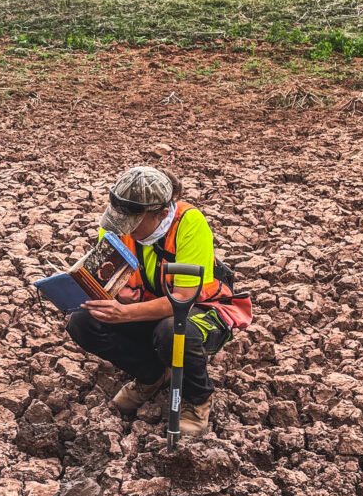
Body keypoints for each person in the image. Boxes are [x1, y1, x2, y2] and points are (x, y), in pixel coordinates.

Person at [66, 166, 242, 435]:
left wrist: (123, 314)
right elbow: (109, 281)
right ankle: (152, 375)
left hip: (200, 311)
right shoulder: (115, 228)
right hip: (145, 306)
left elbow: (182, 301)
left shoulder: (189, 225)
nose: (124, 230)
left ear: (161, 214)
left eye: (132, 223)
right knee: (83, 322)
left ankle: (198, 398)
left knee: (172, 331)